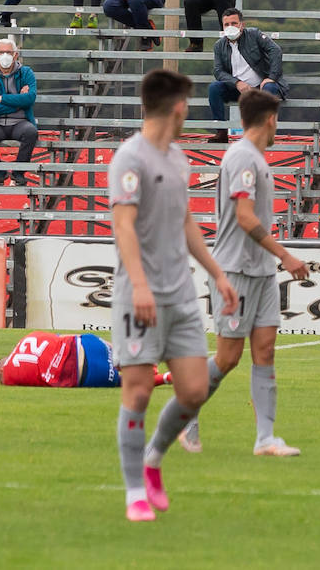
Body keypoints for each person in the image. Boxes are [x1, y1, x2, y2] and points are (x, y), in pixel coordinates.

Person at [108, 68, 238, 522]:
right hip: (138, 294)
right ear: (177, 107)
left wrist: (217, 274)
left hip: (180, 293)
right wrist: (140, 283)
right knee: (139, 390)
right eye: (188, 104)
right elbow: (123, 225)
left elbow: (185, 225)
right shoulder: (129, 158)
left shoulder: (179, 160)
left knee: (195, 389)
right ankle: (133, 493)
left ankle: (153, 458)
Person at [178, 89, 311, 457]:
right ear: (270, 119)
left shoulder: (255, 158)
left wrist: (274, 261)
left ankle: (265, 439)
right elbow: (244, 216)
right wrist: (286, 255)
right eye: (277, 119)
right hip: (235, 269)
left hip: (261, 271)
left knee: (265, 351)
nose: (277, 126)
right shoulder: (242, 158)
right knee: (228, 357)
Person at [209, 9, 287, 143]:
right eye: (226, 24)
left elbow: (275, 50)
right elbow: (218, 71)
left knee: (270, 88)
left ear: (242, 25)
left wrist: (271, 77)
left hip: (262, 87)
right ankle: (221, 132)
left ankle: (262, 133)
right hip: (239, 89)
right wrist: (236, 83)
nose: (230, 27)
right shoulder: (219, 45)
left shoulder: (254, 34)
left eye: (234, 23)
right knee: (214, 88)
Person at [0, 331, 162, 389]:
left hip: (81, 371)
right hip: (86, 343)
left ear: (2, 369)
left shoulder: (9, 374)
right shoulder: (29, 337)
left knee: (131, 383)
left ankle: (167, 378)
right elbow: (64, 337)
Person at [0, 37, 38, 186]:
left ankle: (19, 173)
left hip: (20, 123)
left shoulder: (26, 73)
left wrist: (2, 98)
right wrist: (18, 102)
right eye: (1, 52)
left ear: (15, 55)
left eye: (9, 52)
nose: (5, 56)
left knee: (31, 132)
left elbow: (30, 99)